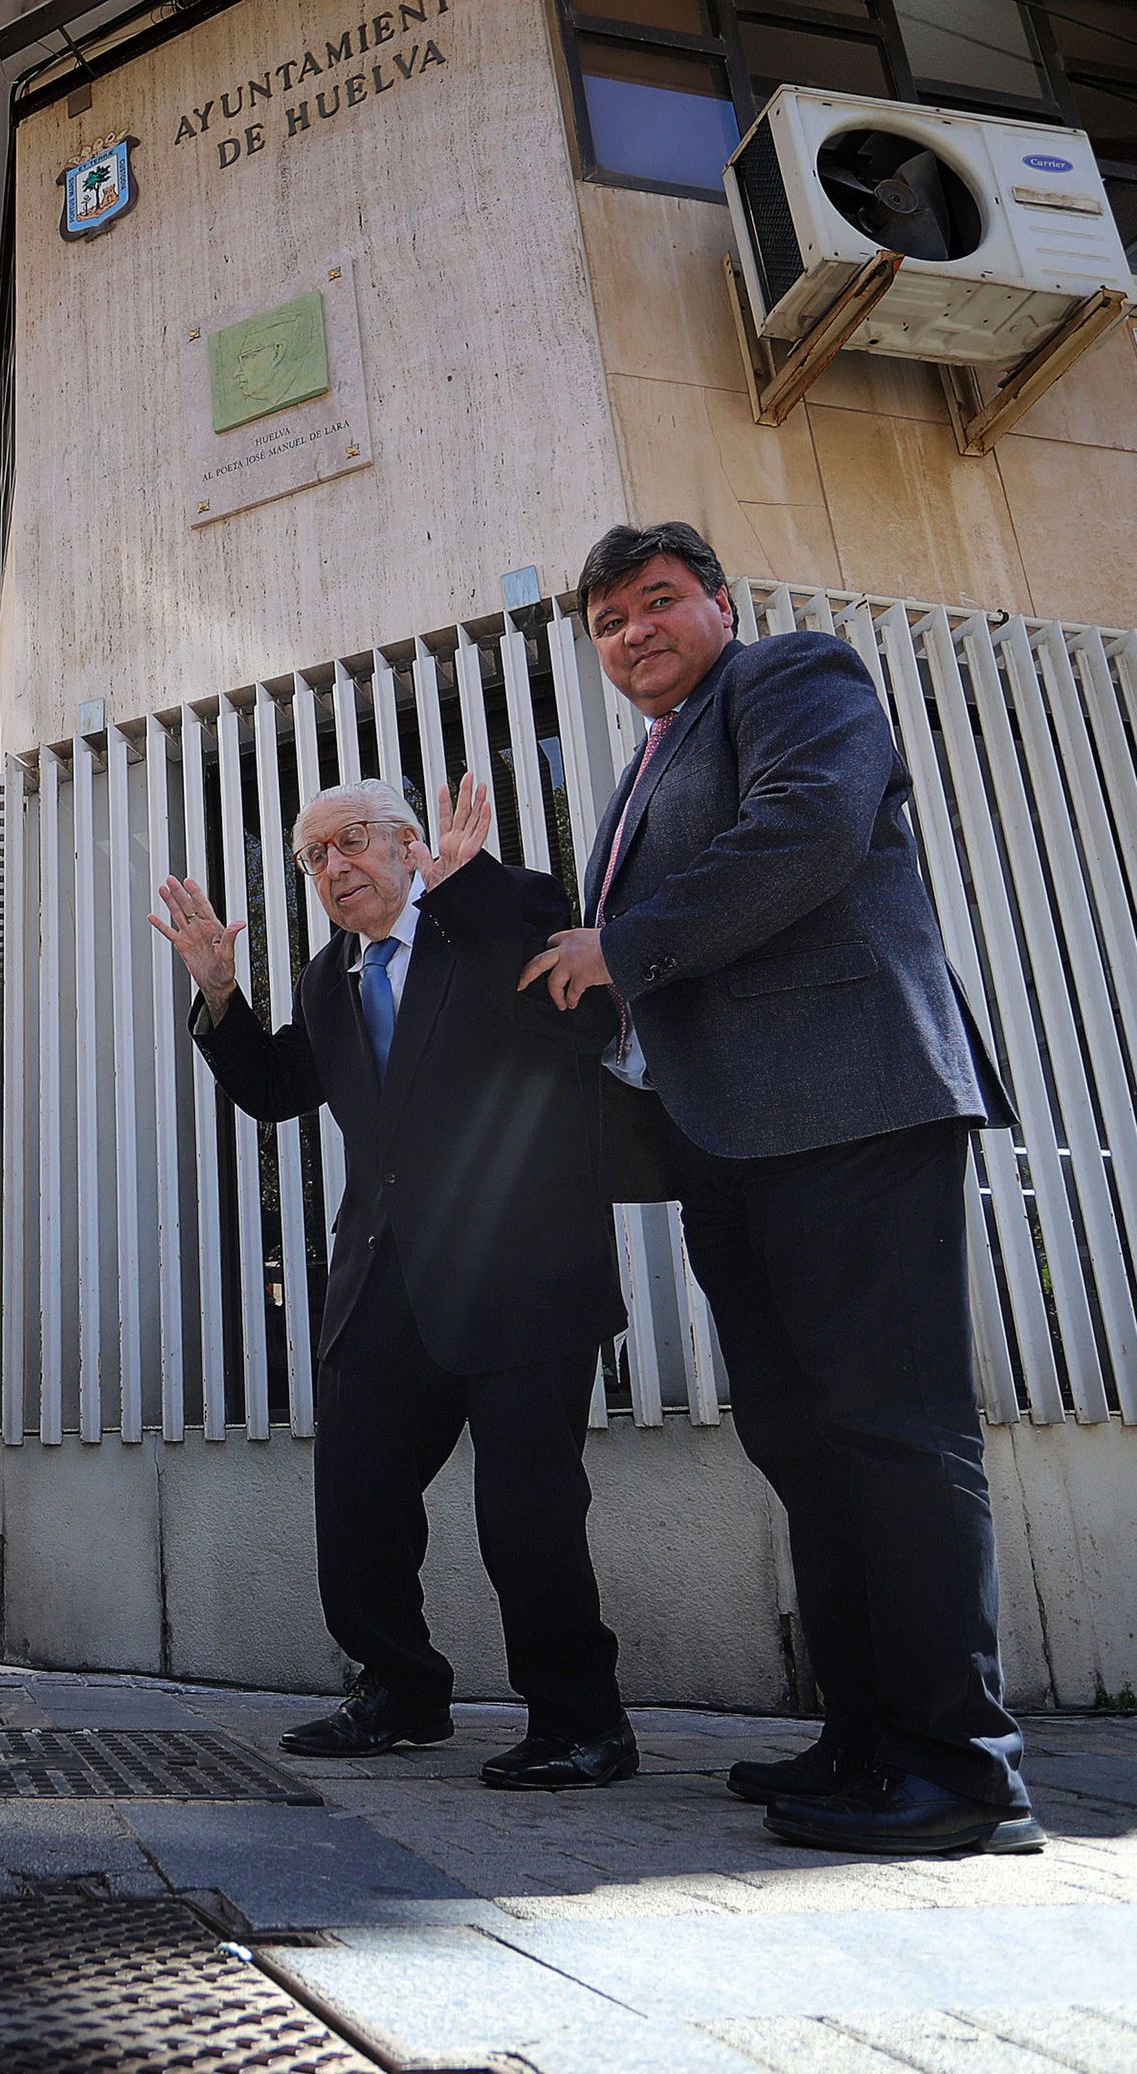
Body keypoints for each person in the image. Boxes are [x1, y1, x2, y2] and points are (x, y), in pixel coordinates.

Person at [432, 519, 1039, 1855]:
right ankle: (870, 1735)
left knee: (892, 1428)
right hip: (734, 1141)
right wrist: (498, 914)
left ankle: (965, 1769)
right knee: (806, 1447)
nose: (634, 632)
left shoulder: (792, 677)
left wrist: (625, 939)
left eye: (658, 602)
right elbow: (608, 968)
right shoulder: (648, 764)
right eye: (608, 623)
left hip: (853, 1102)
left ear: (718, 603)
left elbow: (805, 834)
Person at [150, 779, 636, 1790]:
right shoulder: (334, 976)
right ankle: (399, 1689)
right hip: (385, 1278)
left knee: (528, 1505)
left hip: (522, 1270)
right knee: (359, 1491)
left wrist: (475, 897)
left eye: (353, 842)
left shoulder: (511, 907)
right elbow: (279, 1090)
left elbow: (581, 1028)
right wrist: (219, 994)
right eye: (312, 856)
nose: (332, 867)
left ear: (414, 847)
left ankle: (580, 1721)